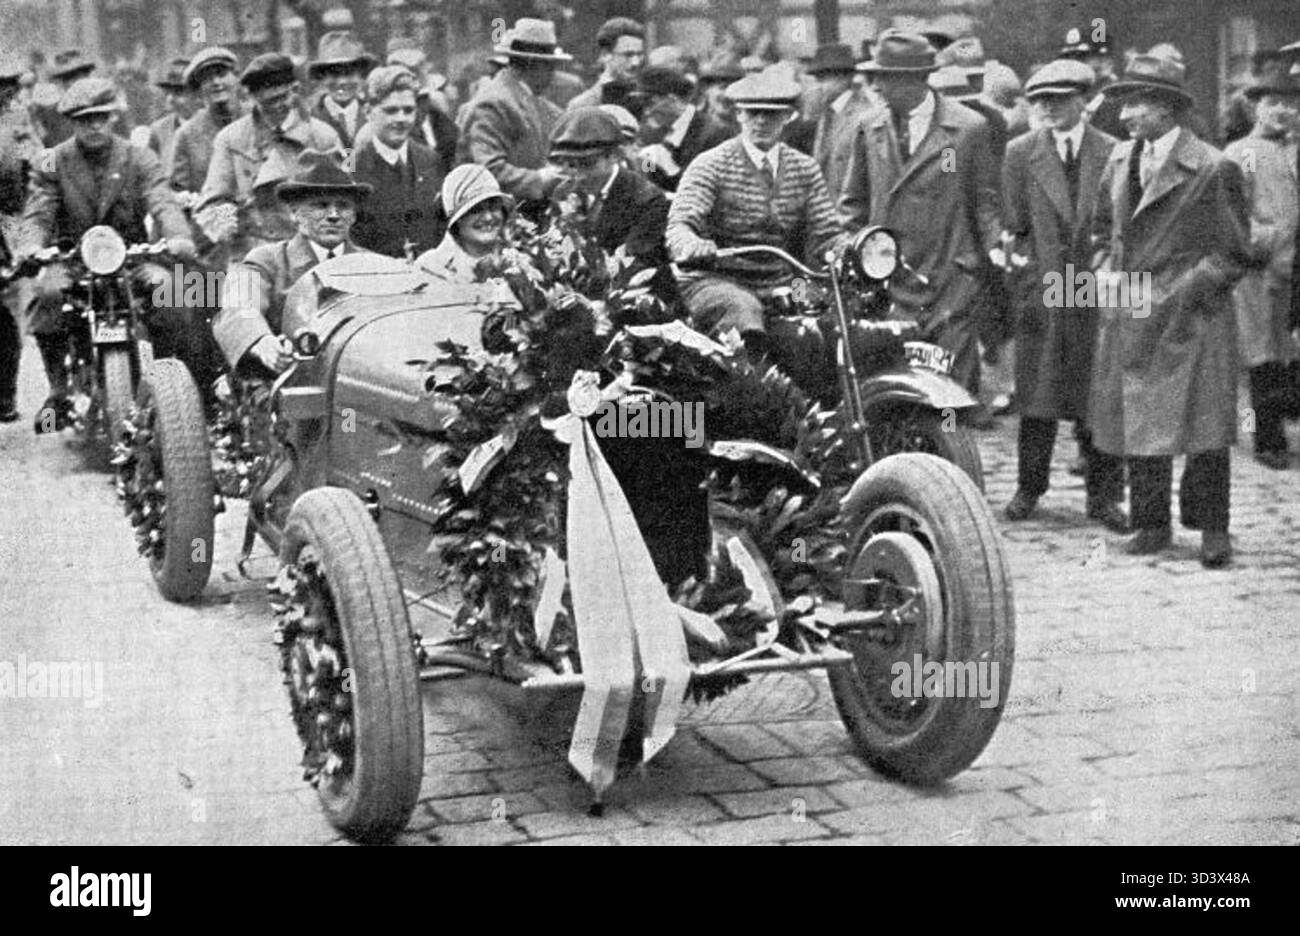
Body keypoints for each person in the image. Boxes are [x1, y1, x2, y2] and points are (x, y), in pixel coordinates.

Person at [1087, 52, 1252, 567]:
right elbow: (1098, 231)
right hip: (1131, 309)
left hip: (1192, 318)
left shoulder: (1212, 166)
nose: (1124, 114)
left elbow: (1233, 253)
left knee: (1204, 428)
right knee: (1139, 419)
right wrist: (1102, 271)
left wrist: (1186, 291)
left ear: (1165, 108)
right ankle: (1151, 523)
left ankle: (1212, 529)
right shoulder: (1119, 160)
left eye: (1134, 102)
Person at [13, 78, 196, 432]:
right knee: (47, 295)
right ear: (72, 121)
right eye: (84, 119)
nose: (94, 126)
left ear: (113, 117)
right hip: (72, 260)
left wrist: (177, 236)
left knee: (172, 293)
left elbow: (161, 199)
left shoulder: (139, 156)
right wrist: (31, 245)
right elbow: (39, 210)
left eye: (101, 117)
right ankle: (58, 390)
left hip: (131, 258)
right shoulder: (52, 160)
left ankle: (169, 382)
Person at [839, 29, 1001, 397]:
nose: (876, 87)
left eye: (883, 77)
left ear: (913, 80)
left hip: (949, 280)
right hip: (888, 283)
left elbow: (985, 200)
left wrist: (984, 256)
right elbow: (852, 204)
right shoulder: (869, 127)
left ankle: (951, 454)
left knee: (950, 393)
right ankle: (909, 456)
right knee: (898, 388)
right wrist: (856, 252)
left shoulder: (967, 129)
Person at [1001, 59, 1126, 532]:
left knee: (1100, 392)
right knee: (1038, 392)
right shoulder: (1020, 152)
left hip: (1096, 285)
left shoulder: (1114, 151)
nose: (1048, 108)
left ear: (1084, 102)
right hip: (1046, 287)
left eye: (1058, 99)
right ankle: (1029, 487)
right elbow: (1014, 225)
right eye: (1039, 101)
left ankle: (1105, 496)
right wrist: (1030, 279)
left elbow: (1120, 223)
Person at [665, 67, 845, 354]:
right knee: (743, 312)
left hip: (782, 279)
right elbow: (680, 224)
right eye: (752, 113)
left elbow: (826, 232)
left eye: (771, 114)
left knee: (821, 316)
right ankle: (750, 394)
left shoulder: (804, 167)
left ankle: (814, 396)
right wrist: (692, 244)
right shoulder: (711, 164)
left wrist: (856, 250)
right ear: (738, 115)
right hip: (716, 280)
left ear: (788, 116)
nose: (761, 121)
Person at [212, 150, 372, 376]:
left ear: (354, 215)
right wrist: (263, 342)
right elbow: (239, 307)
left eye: (343, 206)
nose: (334, 215)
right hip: (286, 381)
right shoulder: (266, 261)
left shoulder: (371, 266)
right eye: (321, 205)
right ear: (295, 213)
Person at [194, 53, 341, 269]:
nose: (278, 107)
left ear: (295, 90)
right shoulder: (231, 138)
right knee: (242, 300)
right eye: (269, 102)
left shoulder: (322, 136)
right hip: (250, 253)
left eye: (283, 97)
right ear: (253, 98)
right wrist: (223, 218)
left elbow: (344, 197)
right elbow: (212, 198)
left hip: (309, 252)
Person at [1224, 72, 1300, 469]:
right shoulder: (1244, 152)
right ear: (1255, 107)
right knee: (1263, 355)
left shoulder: (1292, 150)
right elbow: (1234, 212)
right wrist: (1262, 243)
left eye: (1291, 104)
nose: (1283, 112)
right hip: (1261, 269)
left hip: (1292, 268)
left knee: (1285, 351)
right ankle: (1266, 439)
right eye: (1274, 104)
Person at [548, 106, 675, 308]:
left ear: (615, 155)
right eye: (571, 165)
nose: (579, 176)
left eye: (588, 164)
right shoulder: (563, 192)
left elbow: (633, 267)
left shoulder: (649, 195)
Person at [455, 18, 570, 215]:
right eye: (550, 66)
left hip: (524, 217)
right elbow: (487, 169)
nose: (553, 74)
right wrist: (541, 179)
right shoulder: (494, 102)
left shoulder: (532, 100)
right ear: (532, 65)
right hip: (493, 217)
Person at [349, 66, 445, 259]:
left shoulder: (430, 160)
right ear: (368, 112)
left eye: (408, 110)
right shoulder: (352, 166)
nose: (401, 119)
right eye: (391, 111)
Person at [636, 65, 732, 192]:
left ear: (672, 100)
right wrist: (647, 164)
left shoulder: (715, 134)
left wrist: (671, 169)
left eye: (650, 103)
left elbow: (708, 190)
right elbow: (649, 183)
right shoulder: (652, 132)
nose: (647, 112)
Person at [168, 47, 243, 197]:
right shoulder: (187, 134)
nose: (216, 82)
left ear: (236, 78)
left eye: (221, 74)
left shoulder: (256, 118)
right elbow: (177, 190)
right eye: (207, 78)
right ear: (200, 88)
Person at [808, 43, 871, 203]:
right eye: (818, 79)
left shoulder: (863, 114)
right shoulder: (827, 113)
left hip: (850, 207)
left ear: (845, 78)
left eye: (824, 78)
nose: (819, 86)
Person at [307, 31, 377, 150]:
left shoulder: (375, 116)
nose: (342, 82)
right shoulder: (310, 119)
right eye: (335, 74)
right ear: (322, 77)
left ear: (361, 75)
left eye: (349, 73)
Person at [567, 17, 647, 118]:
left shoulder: (647, 102)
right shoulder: (582, 106)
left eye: (639, 55)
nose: (636, 63)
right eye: (628, 55)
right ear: (605, 55)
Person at [1058, 26, 1126, 140]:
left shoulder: (1122, 100)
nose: (1073, 65)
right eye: (1069, 59)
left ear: (1106, 63)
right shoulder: (1067, 101)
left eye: (1082, 59)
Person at [145, 58, 193, 172]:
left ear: (197, 93)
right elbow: (152, 172)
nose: (170, 99)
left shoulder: (211, 124)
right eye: (168, 92)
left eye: (179, 93)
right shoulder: (159, 130)